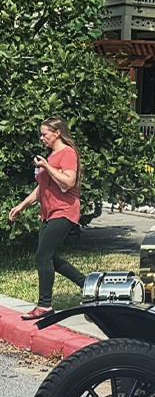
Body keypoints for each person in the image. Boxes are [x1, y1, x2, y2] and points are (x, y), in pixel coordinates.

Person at [8, 116, 86, 319]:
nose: (41, 138)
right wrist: (22, 206)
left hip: (64, 210)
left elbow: (68, 182)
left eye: (45, 134)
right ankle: (86, 284)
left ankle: (44, 305)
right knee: (47, 256)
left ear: (57, 133)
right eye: (41, 134)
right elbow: (41, 187)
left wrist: (48, 167)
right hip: (48, 212)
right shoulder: (50, 156)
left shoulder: (67, 153)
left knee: (43, 256)